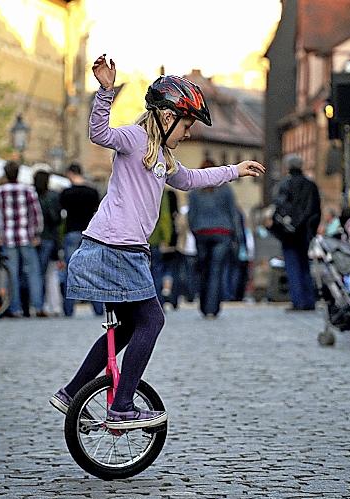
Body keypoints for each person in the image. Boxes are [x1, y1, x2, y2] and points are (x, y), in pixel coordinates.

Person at [49, 55, 266, 429]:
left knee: (128, 329)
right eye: (186, 125)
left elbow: (191, 180)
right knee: (152, 320)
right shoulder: (135, 139)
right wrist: (104, 92)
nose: (188, 133)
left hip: (119, 249)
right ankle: (121, 406)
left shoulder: (162, 156)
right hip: (115, 249)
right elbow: (100, 134)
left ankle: (72, 392)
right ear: (167, 118)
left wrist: (235, 170)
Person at [0, 161, 45, 318]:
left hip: (8, 238)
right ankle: (38, 306)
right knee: (33, 272)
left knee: (11, 274)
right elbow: (35, 214)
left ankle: (15, 308)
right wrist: (36, 233)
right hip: (26, 236)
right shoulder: (28, 190)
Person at [270, 154, 321, 311]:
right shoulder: (311, 185)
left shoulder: (284, 184)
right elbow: (315, 210)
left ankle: (298, 301)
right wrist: (311, 229)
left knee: (292, 267)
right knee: (305, 266)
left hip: (289, 233)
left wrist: (285, 225)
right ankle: (309, 300)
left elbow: (279, 207)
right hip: (305, 232)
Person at [187, 171, 241, 318]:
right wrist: (236, 236)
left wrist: (195, 231)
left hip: (202, 232)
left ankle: (204, 306)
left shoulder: (195, 192)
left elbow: (191, 215)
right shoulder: (225, 189)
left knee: (203, 270)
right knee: (216, 271)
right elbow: (233, 213)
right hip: (223, 232)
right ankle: (213, 307)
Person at [58, 163, 104, 317]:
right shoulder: (92, 192)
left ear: (70, 174)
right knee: (92, 270)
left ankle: (69, 308)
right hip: (89, 232)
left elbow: (61, 212)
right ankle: (98, 308)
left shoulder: (66, 193)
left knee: (70, 271)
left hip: (71, 231)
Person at [33, 169, 61, 313]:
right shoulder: (53, 196)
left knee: (37, 273)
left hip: (36, 238)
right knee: (51, 273)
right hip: (51, 238)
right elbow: (57, 219)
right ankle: (54, 306)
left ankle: (40, 304)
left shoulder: (32, 196)